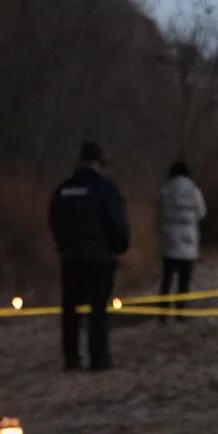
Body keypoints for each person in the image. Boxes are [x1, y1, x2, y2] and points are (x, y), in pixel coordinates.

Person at [49, 141, 130, 371]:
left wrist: (64, 245)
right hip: (99, 257)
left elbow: (54, 221)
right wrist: (119, 248)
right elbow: (117, 223)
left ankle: (71, 358)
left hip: (71, 256)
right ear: (99, 163)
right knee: (98, 310)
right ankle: (99, 358)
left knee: (70, 309)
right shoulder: (106, 188)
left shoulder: (63, 189)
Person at [157, 160, 206, 317]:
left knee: (167, 278)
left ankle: (162, 311)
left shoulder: (166, 189)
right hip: (188, 241)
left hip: (169, 239)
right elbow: (202, 212)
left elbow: (159, 209)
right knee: (184, 280)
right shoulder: (194, 190)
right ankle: (181, 311)